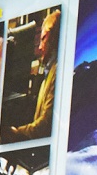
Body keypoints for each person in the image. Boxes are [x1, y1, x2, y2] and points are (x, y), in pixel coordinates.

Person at [6, 8, 61, 143]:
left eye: (44, 39)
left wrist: (16, 133)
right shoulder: (50, 71)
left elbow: (45, 124)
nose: (40, 47)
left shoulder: (57, 72)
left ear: (55, 39)